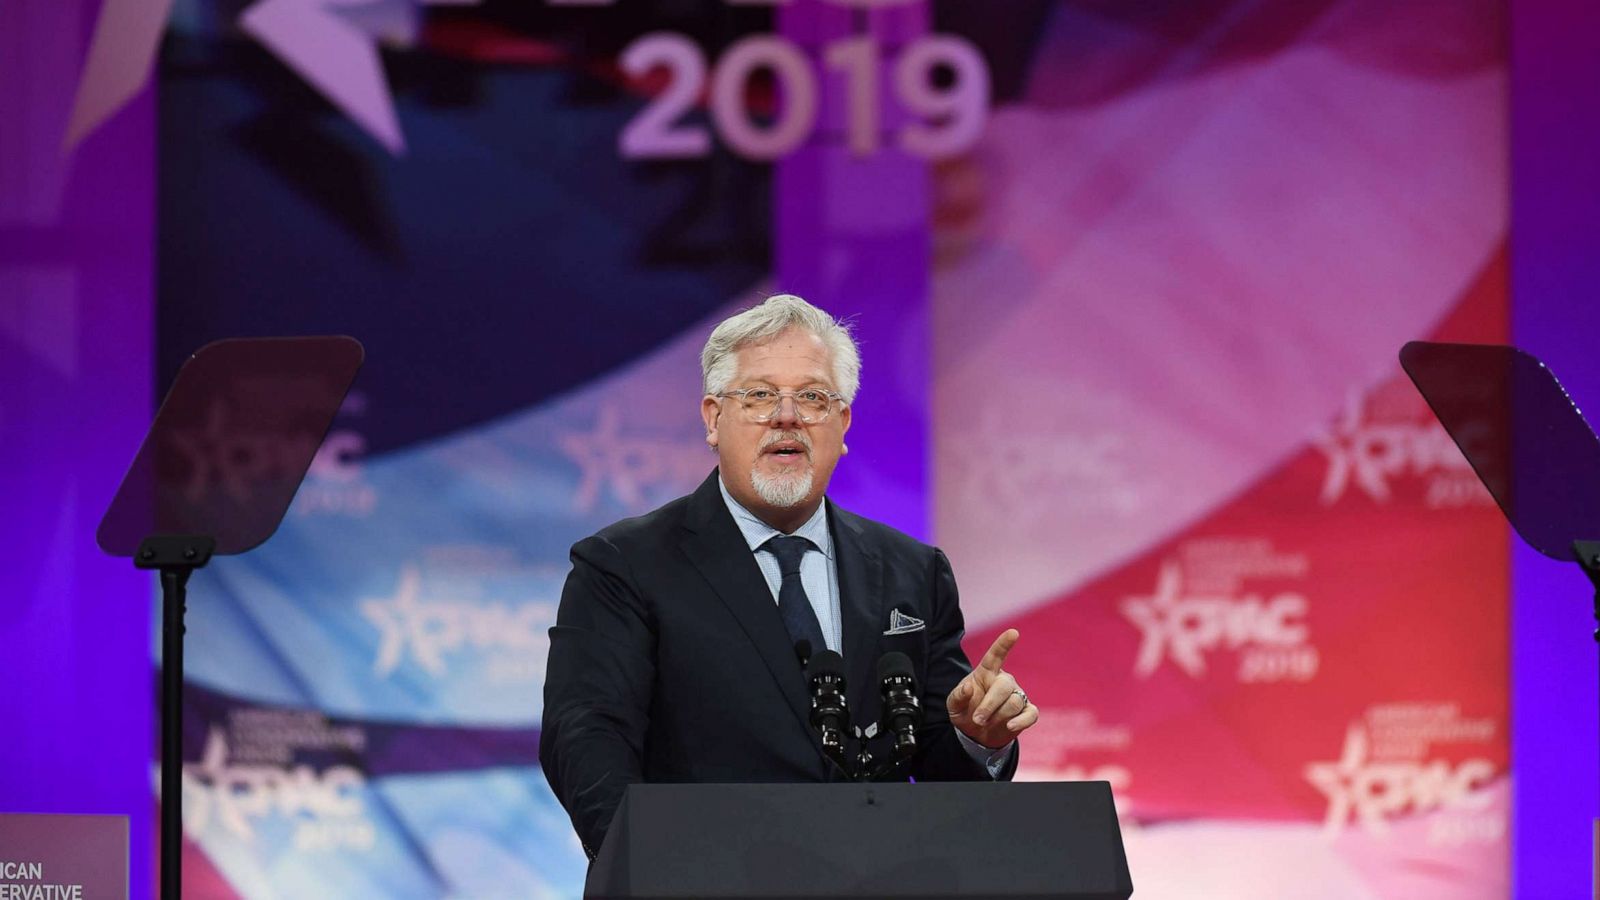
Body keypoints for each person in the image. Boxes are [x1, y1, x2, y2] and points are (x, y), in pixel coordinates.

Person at [541, 294, 1038, 857]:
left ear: (843, 423)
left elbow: (940, 771)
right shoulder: (623, 565)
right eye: (758, 395)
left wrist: (977, 739)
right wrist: (649, 867)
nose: (787, 415)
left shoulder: (912, 570)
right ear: (712, 417)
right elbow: (586, 737)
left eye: (813, 397)